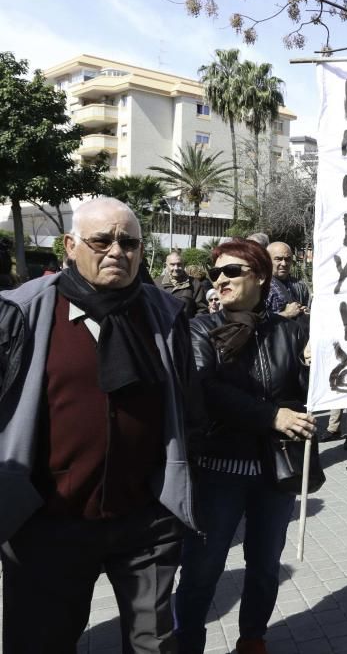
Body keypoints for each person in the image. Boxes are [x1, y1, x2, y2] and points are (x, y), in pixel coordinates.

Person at [0, 197, 199, 652]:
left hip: (145, 522)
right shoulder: (20, 313)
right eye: (102, 240)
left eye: (129, 242)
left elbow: (189, 402)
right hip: (47, 524)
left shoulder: (165, 314)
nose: (117, 252)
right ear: (70, 245)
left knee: (157, 645)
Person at [173, 238, 316, 654]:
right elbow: (205, 389)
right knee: (202, 569)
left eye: (232, 271)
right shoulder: (200, 328)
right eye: (217, 273)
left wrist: (313, 365)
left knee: (264, 568)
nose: (221, 280)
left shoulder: (289, 330)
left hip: (276, 472)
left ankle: (252, 638)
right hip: (218, 472)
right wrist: (270, 416)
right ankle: (187, 644)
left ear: (261, 277)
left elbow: (305, 394)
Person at [265, 242, 310, 326]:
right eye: (278, 259)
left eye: (287, 259)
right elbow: (257, 323)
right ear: (268, 260)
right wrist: (286, 314)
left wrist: (305, 312)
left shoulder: (299, 285)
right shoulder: (261, 287)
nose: (284, 264)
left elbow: (308, 307)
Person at [158, 249, 209, 318]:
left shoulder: (194, 284)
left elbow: (202, 310)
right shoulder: (157, 283)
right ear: (166, 265)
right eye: (172, 265)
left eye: (179, 264)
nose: (176, 268)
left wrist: (192, 326)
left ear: (184, 265)